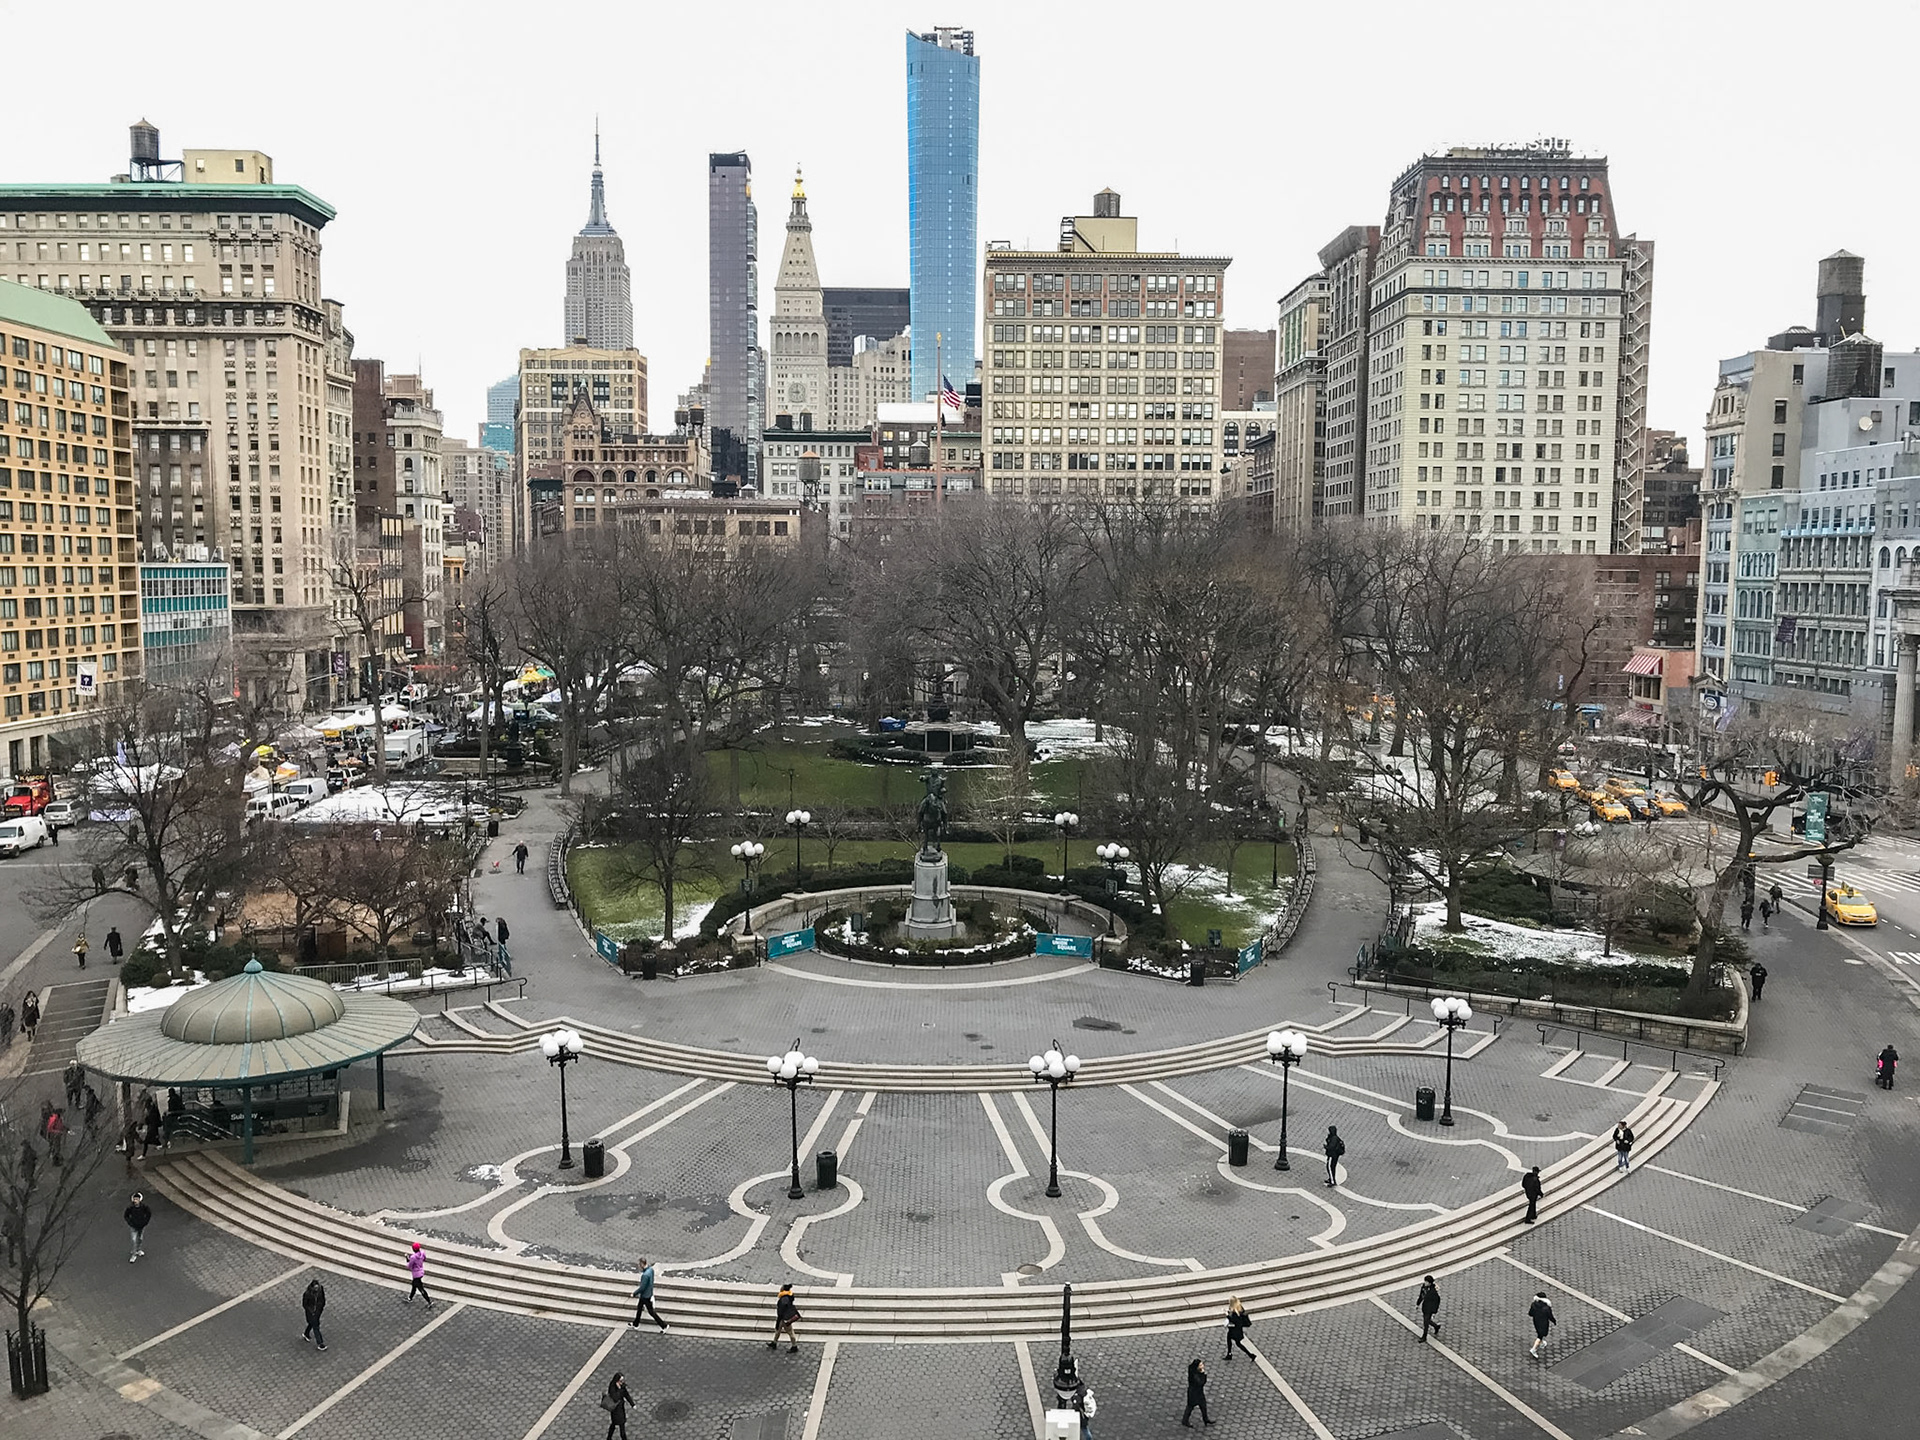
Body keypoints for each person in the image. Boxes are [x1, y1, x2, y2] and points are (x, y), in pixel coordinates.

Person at [630, 1257, 667, 1330]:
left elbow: (642, 1287)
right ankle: (635, 1324)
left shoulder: (645, 1275)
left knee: (651, 1312)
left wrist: (634, 1293)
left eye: (639, 1265)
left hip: (645, 1296)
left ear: (642, 1264)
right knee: (639, 1308)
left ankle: (664, 1325)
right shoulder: (651, 1270)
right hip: (648, 1293)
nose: (638, 1266)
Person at [768, 1282, 801, 1352]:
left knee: (790, 1332)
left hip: (784, 1318)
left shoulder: (784, 1299)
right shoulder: (788, 1297)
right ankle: (774, 1342)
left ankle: (794, 1346)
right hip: (784, 1318)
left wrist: (780, 1318)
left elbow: (782, 1310)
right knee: (778, 1331)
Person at [602, 1372, 635, 1440]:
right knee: (619, 1425)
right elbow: (615, 1397)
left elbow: (626, 1394)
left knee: (615, 1424)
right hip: (615, 1409)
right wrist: (619, 1389)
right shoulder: (612, 1387)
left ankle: (609, 1437)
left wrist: (632, 1404)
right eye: (621, 1380)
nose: (622, 1382)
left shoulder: (622, 1386)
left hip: (620, 1409)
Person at [1182, 1357, 1211, 1427]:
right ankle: (1185, 1420)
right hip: (1194, 1394)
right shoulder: (1195, 1376)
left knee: (1203, 1406)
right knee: (1190, 1407)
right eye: (1200, 1365)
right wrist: (1203, 1373)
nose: (1202, 1366)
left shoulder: (1192, 1370)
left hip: (1197, 1393)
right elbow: (1201, 1383)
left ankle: (1206, 1419)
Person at [1528, 1291, 1556, 1359]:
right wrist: (1554, 1321)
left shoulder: (1534, 1304)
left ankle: (1542, 1342)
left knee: (1539, 1332)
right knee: (1540, 1335)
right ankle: (1534, 1349)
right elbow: (1550, 1316)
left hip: (1536, 1321)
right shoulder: (1546, 1308)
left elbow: (1530, 1313)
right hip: (1543, 1323)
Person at [302, 1277, 328, 1350]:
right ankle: (320, 1343)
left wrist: (321, 1307)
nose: (317, 1289)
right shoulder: (307, 1294)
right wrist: (311, 1311)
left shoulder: (320, 1290)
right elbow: (305, 1305)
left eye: (317, 1287)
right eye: (315, 1288)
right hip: (311, 1313)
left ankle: (306, 1334)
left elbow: (322, 1299)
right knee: (316, 1327)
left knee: (311, 1324)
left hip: (318, 1311)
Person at [125, 1191, 151, 1262]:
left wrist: (145, 1222)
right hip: (133, 1226)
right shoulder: (130, 1208)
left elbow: (148, 1214)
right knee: (134, 1240)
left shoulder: (144, 1207)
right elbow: (126, 1215)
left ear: (140, 1200)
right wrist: (130, 1223)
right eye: (134, 1199)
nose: (135, 1200)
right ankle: (134, 1254)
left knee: (140, 1238)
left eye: (137, 1199)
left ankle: (138, 1249)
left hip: (141, 1226)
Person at [403, 1241, 432, 1306]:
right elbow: (424, 1259)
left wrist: (407, 1259)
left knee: (420, 1288)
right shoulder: (422, 1253)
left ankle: (429, 1301)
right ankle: (410, 1298)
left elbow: (409, 1266)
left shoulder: (413, 1257)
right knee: (414, 1286)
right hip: (421, 1271)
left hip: (416, 1274)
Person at [1416, 1276, 1442, 1342]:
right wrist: (1418, 1304)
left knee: (1426, 1322)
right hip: (1425, 1307)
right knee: (1427, 1320)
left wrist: (1434, 1312)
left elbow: (1437, 1301)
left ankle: (1424, 1337)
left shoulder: (1433, 1292)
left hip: (1430, 1308)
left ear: (1430, 1283)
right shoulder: (1424, 1287)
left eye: (1426, 1282)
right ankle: (1436, 1326)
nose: (1425, 1283)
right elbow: (1421, 1295)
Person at [141, 1092, 165, 1159]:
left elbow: (151, 1119)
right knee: (152, 1139)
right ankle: (159, 1144)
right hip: (152, 1126)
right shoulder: (153, 1108)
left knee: (146, 1141)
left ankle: (143, 1155)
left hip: (152, 1127)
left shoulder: (152, 1110)